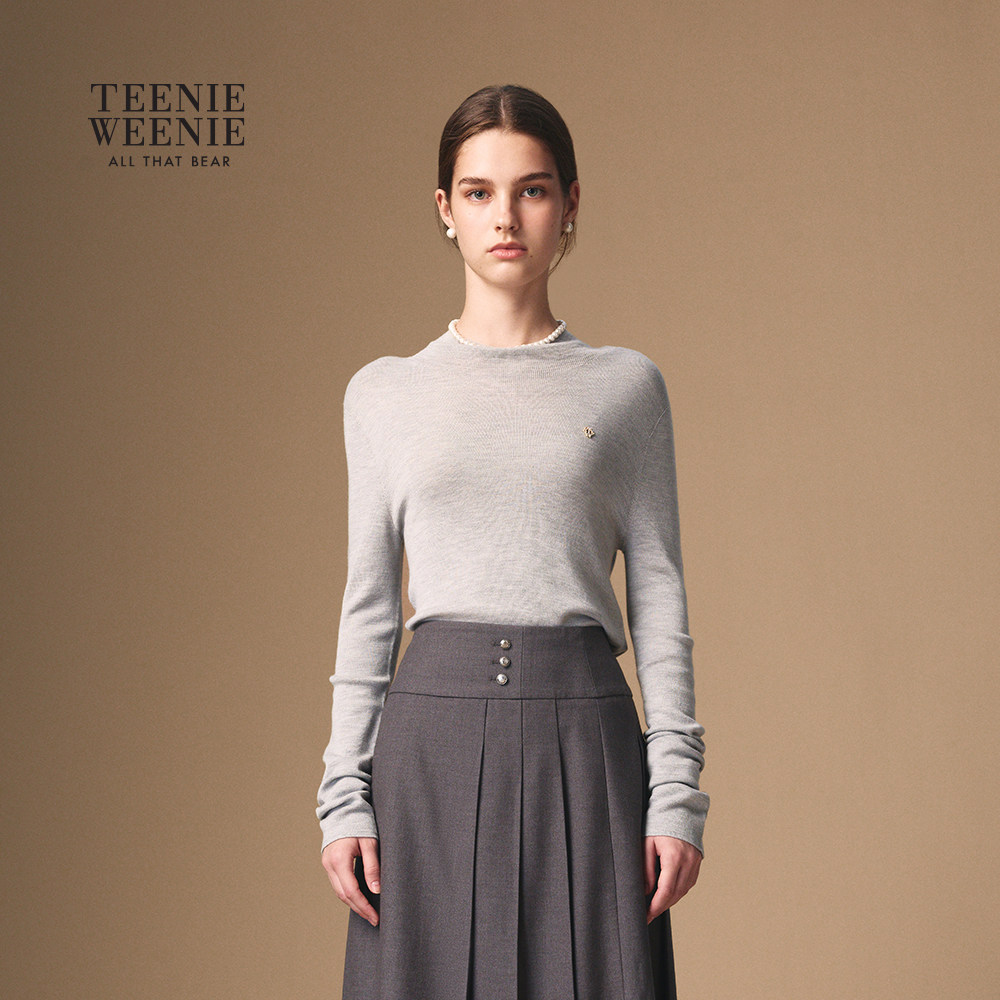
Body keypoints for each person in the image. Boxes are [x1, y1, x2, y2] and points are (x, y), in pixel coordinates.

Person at [317, 84, 709, 1000]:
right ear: (445, 209)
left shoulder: (626, 388)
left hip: (587, 741)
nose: (505, 217)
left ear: (569, 205)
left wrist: (676, 792)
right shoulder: (382, 393)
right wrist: (344, 797)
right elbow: (369, 607)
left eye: (531, 190)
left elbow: (659, 600)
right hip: (427, 753)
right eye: (479, 192)